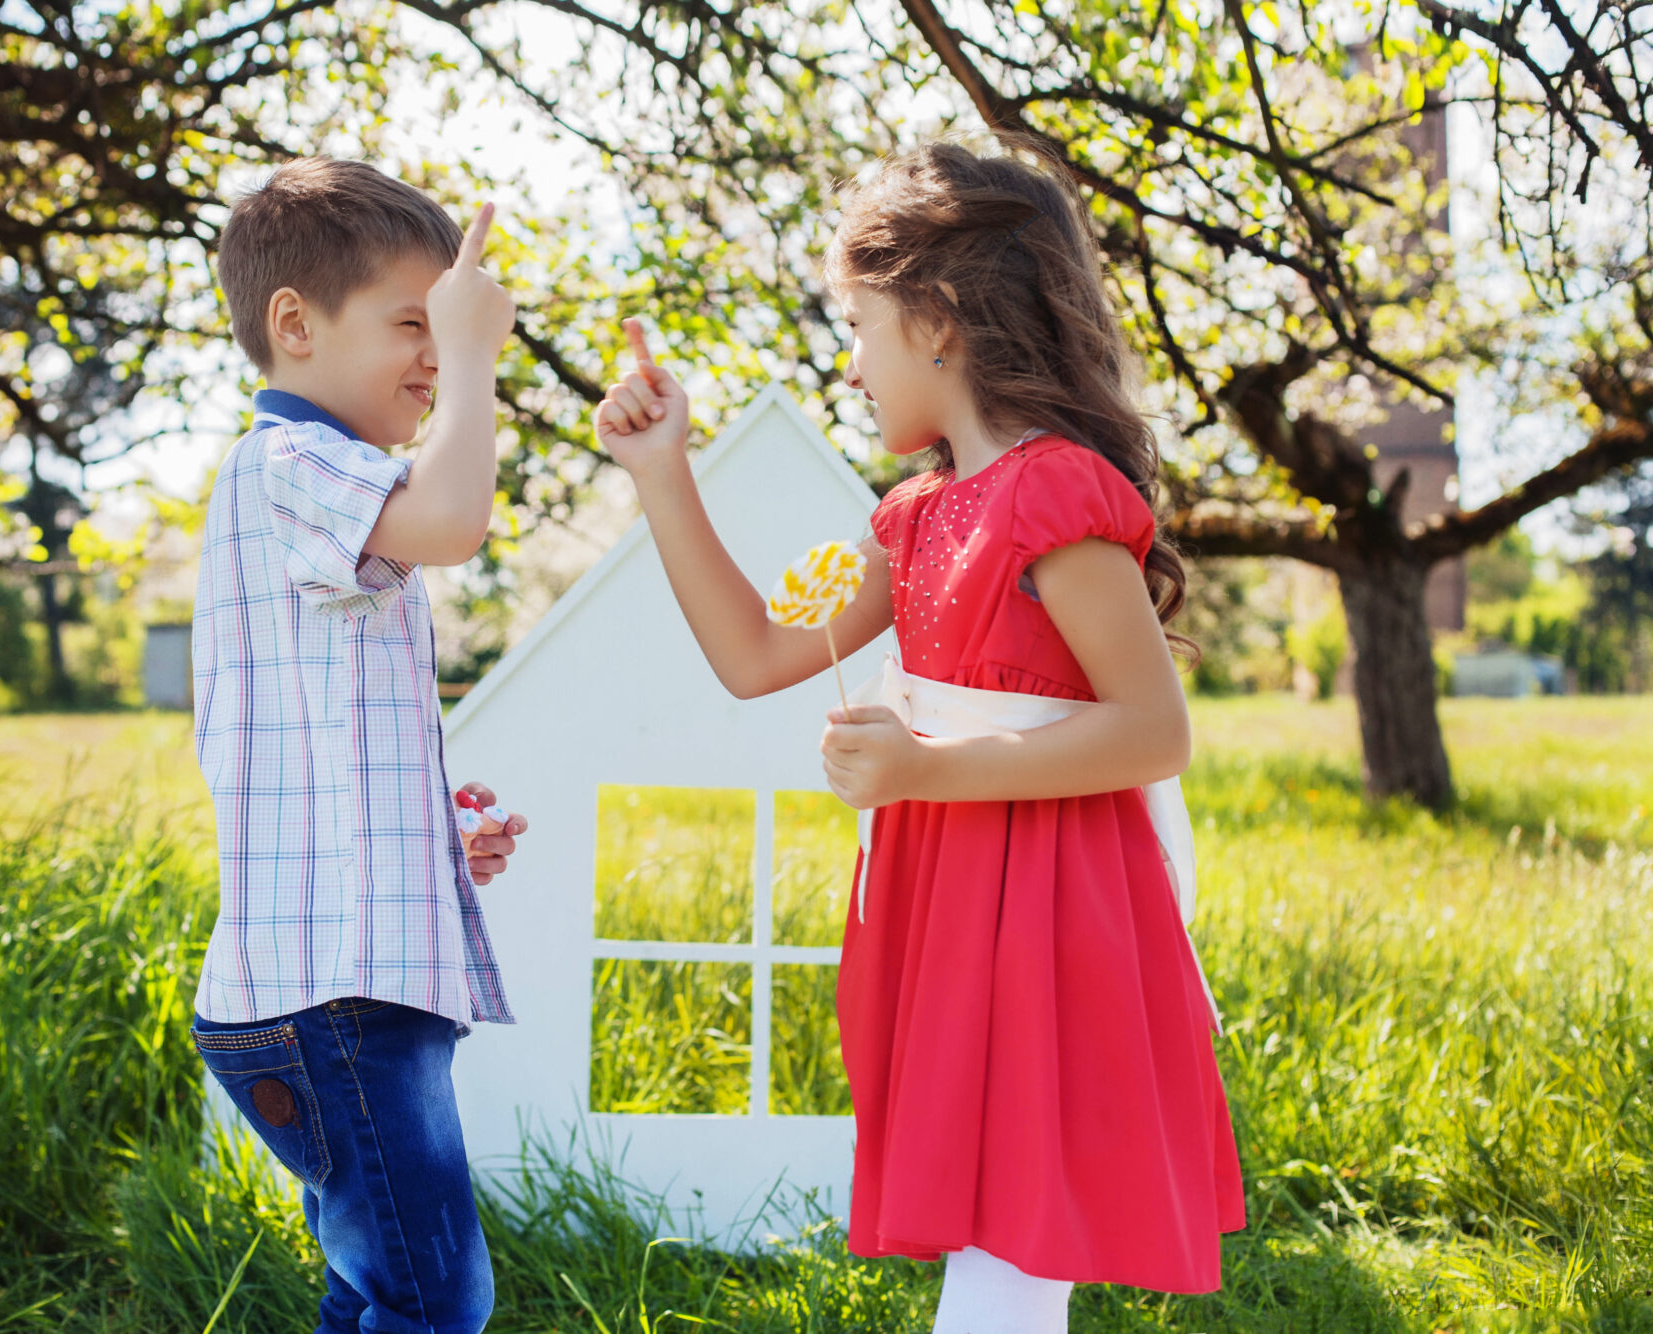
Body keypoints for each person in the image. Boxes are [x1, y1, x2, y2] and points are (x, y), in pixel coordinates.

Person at [595, 139, 1245, 1332]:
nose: (848, 366)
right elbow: (753, 656)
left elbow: (1153, 731)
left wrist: (923, 767)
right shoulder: (914, 517)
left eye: (859, 325)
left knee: (1013, 1225)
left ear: (937, 322)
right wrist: (660, 474)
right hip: (954, 905)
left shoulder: (1052, 494)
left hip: (1050, 909)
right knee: (992, 1227)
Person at [188, 157, 526, 1334]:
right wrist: (478, 351)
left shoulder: (319, 483)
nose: (435, 355)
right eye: (412, 323)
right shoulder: (291, 462)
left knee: (387, 1286)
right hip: (330, 995)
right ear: (294, 324)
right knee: (432, 1294)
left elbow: (320, 738)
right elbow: (456, 519)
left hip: (334, 983)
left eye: (443, 329)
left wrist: (435, 838)